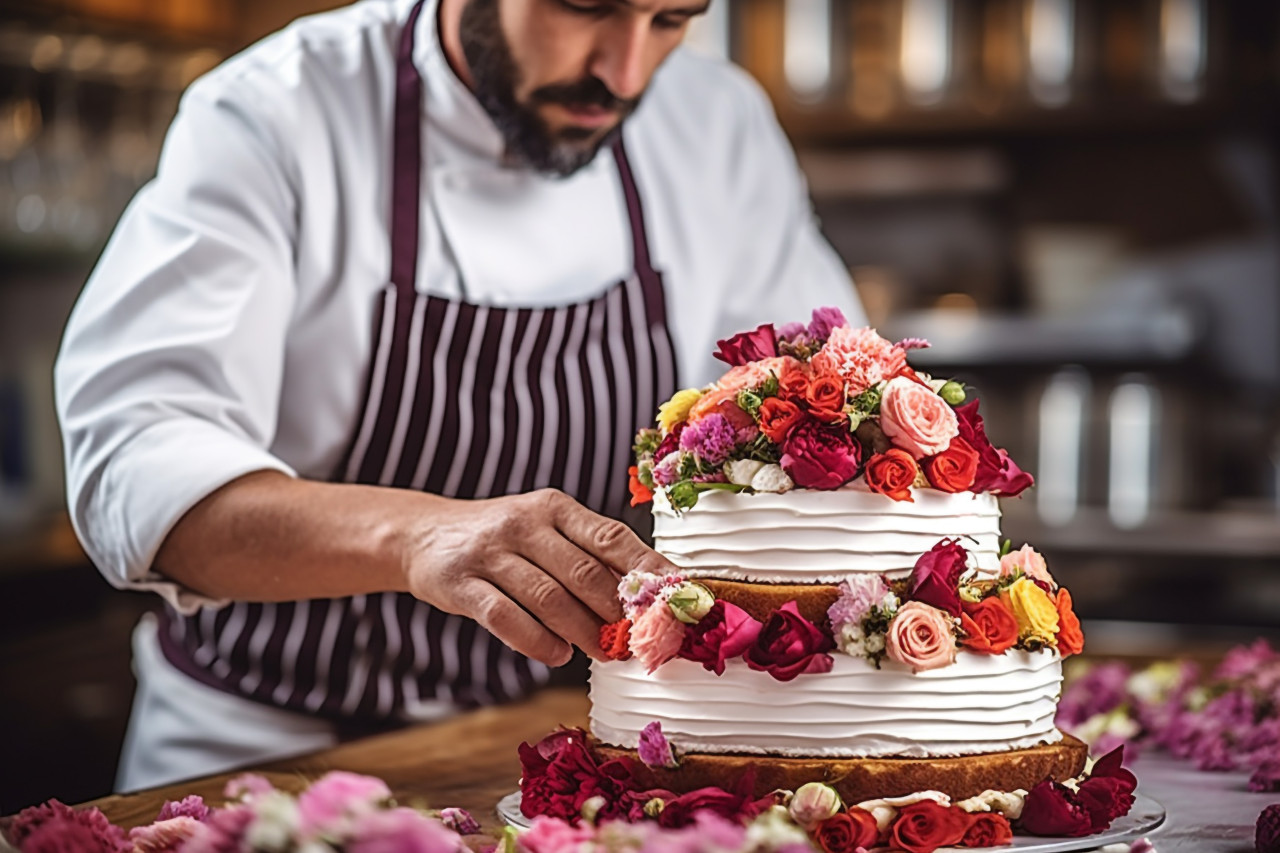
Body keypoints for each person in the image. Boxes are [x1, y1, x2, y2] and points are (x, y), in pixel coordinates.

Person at [54, 0, 863, 791]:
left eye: (670, 20)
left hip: (569, 748)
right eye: (585, 8)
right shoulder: (279, 109)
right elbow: (133, 474)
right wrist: (416, 535)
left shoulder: (717, 125)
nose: (623, 72)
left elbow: (824, 410)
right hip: (263, 751)